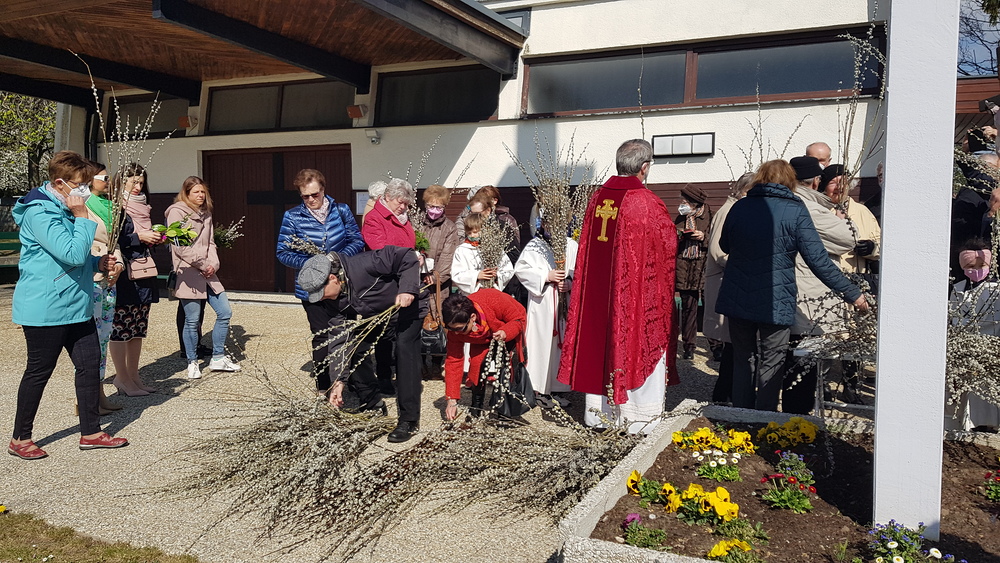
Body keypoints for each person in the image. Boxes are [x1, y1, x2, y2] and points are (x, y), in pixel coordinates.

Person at [716, 160, 868, 412]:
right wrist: (852, 293)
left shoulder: (740, 207)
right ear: (790, 180)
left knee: (743, 359)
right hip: (776, 297)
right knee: (772, 360)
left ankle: (742, 416)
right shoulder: (795, 210)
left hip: (738, 295)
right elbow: (819, 261)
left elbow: (725, 245)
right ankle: (764, 419)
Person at [10, 150, 129, 459]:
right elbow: (71, 254)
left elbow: (77, 258)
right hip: (45, 307)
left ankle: (91, 432)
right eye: (80, 185)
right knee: (39, 371)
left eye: (87, 184)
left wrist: (97, 263)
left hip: (76, 304)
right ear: (60, 183)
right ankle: (20, 438)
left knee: (89, 366)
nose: (85, 191)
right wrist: (82, 217)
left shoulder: (63, 207)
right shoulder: (39, 212)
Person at [557, 139, 679, 433]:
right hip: (632, 294)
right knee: (634, 339)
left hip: (598, 293)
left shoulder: (597, 198)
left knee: (600, 339)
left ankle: (599, 417)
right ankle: (638, 420)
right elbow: (667, 247)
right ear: (644, 167)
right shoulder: (646, 203)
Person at [296, 250, 422, 442]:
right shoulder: (332, 300)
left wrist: (407, 289)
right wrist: (338, 381)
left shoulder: (366, 264)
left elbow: (407, 256)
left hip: (409, 307)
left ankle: (409, 420)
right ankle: (374, 404)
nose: (321, 299)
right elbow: (339, 340)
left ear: (332, 278)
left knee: (405, 352)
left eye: (321, 294)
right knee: (354, 349)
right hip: (379, 316)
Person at [276, 168, 365, 394]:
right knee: (321, 335)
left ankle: (349, 380)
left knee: (346, 332)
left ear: (323, 189)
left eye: (314, 194)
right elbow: (283, 252)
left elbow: (357, 240)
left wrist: (336, 259)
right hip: (311, 287)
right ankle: (324, 385)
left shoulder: (341, 210)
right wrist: (314, 264)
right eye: (305, 196)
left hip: (342, 283)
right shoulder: (292, 216)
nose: (311, 200)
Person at [782, 156, 856, 411]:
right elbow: (848, 238)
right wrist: (840, 219)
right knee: (803, 365)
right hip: (809, 296)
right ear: (815, 181)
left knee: (791, 361)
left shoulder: (785, 202)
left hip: (791, 290)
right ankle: (798, 419)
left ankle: (790, 416)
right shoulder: (811, 208)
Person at [166, 176, 240, 379]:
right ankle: (192, 361)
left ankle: (218, 357)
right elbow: (179, 246)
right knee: (192, 320)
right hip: (188, 272)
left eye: (203, 192)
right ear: (186, 193)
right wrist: (201, 264)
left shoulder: (206, 213)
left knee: (224, 312)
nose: (200, 195)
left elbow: (211, 243)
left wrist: (214, 264)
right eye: (196, 192)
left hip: (209, 272)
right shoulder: (176, 212)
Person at [361, 178, 421, 396]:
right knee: (384, 333)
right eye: (400, 202)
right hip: (383, 282)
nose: (403, 207)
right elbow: (379, 250)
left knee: (401, 332)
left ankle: (401, 375)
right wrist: (408, 258)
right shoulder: (374, 218)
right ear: (387, 197)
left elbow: (410, 244)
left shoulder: (403, 219)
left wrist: (418, 256)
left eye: (406, 203)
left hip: (403, 280)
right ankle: (383, 376)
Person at [109, 164, 165, 396]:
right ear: (121, 181)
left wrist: (155, 238)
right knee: (120, 327)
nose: (138, 187)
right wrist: (138, 237)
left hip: (143, 271)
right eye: (133, 182)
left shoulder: (143, 206)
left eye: (141, 182)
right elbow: (110, 241)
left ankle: (134, 377)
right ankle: (121, 378)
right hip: (124, 273)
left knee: (138, 327)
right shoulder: (115, 206)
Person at [513, 215, 578, 408]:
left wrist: (570, 282)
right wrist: (545, 276)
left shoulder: (571, 245)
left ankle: (558, 388)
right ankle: (540, 389)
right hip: (543, 302)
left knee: (561, 346)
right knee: (542, 344)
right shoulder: (535, 245)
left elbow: (580, 270)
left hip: (564, 301)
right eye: (550, 223)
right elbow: (521, 269)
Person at [703, 172, 754, 403]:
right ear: (745, 191)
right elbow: (718, 250)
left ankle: (727, 393)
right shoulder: (729, 211)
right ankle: (724, 394)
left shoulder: (736, 208)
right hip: (725, 282)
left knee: (735, 346)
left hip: (731, 282)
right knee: (733, 345)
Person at [441, 290, 526, 420]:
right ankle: (476, 405)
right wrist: (451, 399)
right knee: (477, 365)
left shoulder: (493, 299)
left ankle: (504, 407)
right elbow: (453, 361)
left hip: (506, 329)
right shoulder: (455, 330)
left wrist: (506, 332)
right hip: (481, 337)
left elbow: (518, 319)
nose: (456, 333)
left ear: (472, 317)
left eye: (460, 329)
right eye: (451, 328)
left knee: (504, 367)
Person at [82, 162, 125, 413]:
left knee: (104, 336)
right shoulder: (82, 206)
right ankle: (88, 398)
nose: (108, 182)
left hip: (109, 278)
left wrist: (118, 263)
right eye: (104, 177)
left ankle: (98, 394)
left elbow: (113, 241)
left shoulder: (110, 206)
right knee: (91, 339)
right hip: (92, 277)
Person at [420, 185, 458, 377]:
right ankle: (420, 362)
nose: (434, 210)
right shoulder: (417, 222)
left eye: (438, 207)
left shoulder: (449, 228)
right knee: (419, 320)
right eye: (431, 206)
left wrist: (435, 277)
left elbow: (448, 257)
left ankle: (436, 361)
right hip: (417, 281)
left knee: (437, 319)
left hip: (438, 286)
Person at [674, 185, 713, 360]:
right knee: (688, 308)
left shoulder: (710, 216)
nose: (682, 204)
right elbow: (672, 237)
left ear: (694, 203)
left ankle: (716, 345)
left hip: (704, 266)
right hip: (685, 267)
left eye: (685, 201)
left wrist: (704, 237)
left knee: (710, 307)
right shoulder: (680, 218)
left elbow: (718, 239)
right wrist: (680, 235)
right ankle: (688, 346)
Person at [450, 212, 514, 294]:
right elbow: (456, 274)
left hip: (493, 292)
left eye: (475, 232)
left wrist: (496, 276)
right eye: (469, 233)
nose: (472, 235)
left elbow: (508, 270)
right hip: (471, 295)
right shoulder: (462, 250)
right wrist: (476, 276)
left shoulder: (495, 249)